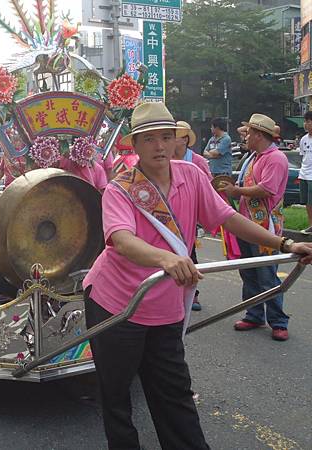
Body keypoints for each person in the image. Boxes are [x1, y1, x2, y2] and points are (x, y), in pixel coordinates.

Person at [82, 103, 312, 449]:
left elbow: (227, 217)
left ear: (177, 141)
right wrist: (166, 258)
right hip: (117, 304)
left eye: (165, 137)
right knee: (116, 393)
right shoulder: (120, 188)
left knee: (174, 393)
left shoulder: (191, 176)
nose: (158, 146)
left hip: (166, 306)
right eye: (148, 140)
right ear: (135, 145)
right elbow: (121, 239)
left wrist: (283, 242)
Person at [218, 114, 291, 341]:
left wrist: (236, 192)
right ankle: (254, 314)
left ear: (259, 136)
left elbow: (266, 189)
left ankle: (278, 321)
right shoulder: (256, 156)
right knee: (249, 272)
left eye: (250, 133)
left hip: (264, 225)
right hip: (247, 222)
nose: (246, 136)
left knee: (267, 276)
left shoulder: (275, 158)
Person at [174, 121, 212, 311]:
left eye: (176, 136)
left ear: (185, 139)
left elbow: (208, 189)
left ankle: (192, 294)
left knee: (189, 254)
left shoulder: (197, 162)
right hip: (169, 216)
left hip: (190, 218)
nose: (172, 140)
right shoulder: (165, 159)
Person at [298, 111, 312, 234]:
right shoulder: (303, 139)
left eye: (308, 122)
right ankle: (310, 224)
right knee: (307, 203)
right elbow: (302, 156)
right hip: (304, 174)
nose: (305, 124)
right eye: (305, 122)